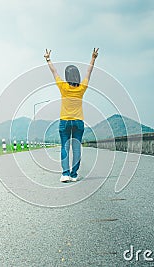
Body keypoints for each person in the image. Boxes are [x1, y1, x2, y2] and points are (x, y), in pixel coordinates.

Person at [44, 48, 99, 182]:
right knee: (76, 149)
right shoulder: (82, 88)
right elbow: (89, 72)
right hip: (79, 122)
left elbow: (54, 71)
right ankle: (74, 175)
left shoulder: (63, 86)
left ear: (67, 76)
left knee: (65, 147)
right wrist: (93, 58)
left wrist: (48, 59)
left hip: (64, 122)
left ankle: (65, 174)